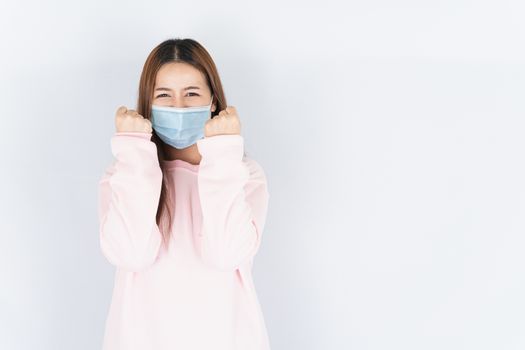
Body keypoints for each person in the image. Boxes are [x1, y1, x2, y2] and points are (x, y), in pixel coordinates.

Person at [97, 38, 271, 350]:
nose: (178, 106)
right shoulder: (123, 174)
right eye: (164, 95)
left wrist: (222, 155)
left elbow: (227, 254)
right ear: (147, 105)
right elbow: (131, 254)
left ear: (213, 102)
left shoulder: (243, 174)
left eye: (191, 94)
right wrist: (135, 154)